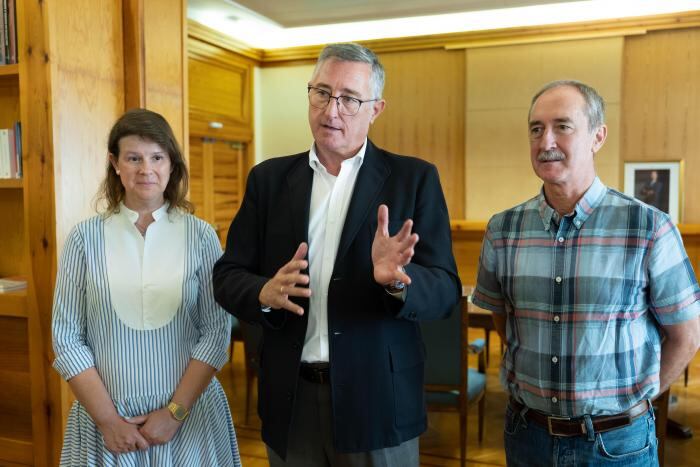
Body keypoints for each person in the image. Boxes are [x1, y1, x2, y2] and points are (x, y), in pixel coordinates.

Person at [213, 43, 460, 466]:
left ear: (376, 108)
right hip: (291, 399)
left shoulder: (413, 179)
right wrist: (263, 292)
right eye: (322, 93)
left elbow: (445, 288)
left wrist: (398, 280)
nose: (332, 110)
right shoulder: (269, 180)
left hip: (379, 401)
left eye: (349, 99)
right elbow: (227, 275)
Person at [472, 80, 700, 466]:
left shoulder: (649, 228)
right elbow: (503, 319)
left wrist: (638, 401)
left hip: (618, 445)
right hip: (526, 437)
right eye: (536, 128)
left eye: (562, 126)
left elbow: (687, 335)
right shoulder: (503, 229)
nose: (546, 141)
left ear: (598, 136)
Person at [51, 109, 241, 465]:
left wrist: (173, 415)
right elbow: (65, 336)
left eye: (157, 157)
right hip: (106, 426)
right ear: (115, 164)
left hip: (189, 420)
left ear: (172, 164)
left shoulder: (200, 236)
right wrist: (108, 420)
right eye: (133, 158)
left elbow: (216, 333)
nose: (146, 169)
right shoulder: (84, 239)